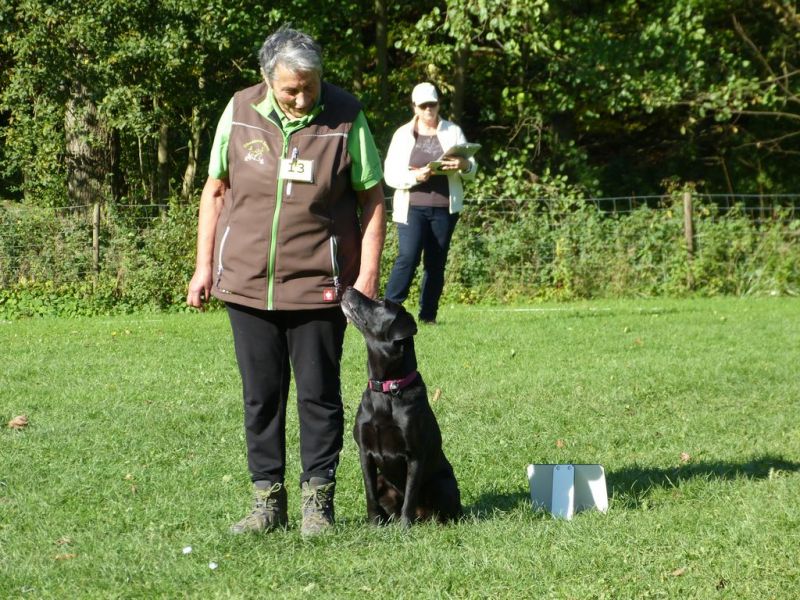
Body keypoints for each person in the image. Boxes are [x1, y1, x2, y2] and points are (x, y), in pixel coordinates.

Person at [186, 26, 385, 537]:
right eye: (290, 89)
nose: (301, 98)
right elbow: (215, 190)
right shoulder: (239, 110)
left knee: (319, 396)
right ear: (266, 78)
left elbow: (372, 197)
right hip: (246, 282)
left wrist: (367, 275)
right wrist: (204, 266)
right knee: (261, 398)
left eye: (309, 87)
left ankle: (318, 504)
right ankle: (266, 503)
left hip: (319, 285)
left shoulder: (346, 116)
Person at [383, 82, 477, 324]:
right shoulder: (402, 135)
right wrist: (417, 176)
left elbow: (471, 170)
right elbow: (390, 175)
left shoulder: (453, 131)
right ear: (414, 107)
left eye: (432, 105)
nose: (428, 110)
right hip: (411, 207)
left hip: (445, 207)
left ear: (438, 105)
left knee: (436, 263)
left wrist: (464, 165)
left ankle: (428, 316)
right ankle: (388, 312)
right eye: (423, 105)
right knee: (408, 257)